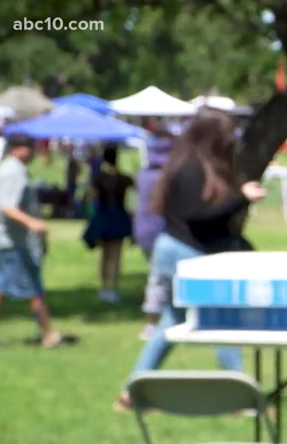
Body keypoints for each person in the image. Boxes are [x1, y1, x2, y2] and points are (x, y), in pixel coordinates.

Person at [114, 110, 267, 411]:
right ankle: (240, 398)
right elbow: (199, 216)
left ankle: (131, 392)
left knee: (172, 321)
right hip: (186, 253)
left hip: (177, 250)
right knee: (220, 320)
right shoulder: (192, 169)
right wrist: (242, 197)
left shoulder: (188, 164)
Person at [0, 133, 73, 348]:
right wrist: (32, 223)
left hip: (13, 241)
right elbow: (6, 206)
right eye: (31, 148)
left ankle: (48, 333)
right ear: (19, 148)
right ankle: (48, 334)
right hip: (12, 242)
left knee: (11, 288)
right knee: (33, 288)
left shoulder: (14, 169)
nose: (34, 152)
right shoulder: (12, 171)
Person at [133, 128, 174, 340]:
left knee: (159, 276)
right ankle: (150, 326)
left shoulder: (143, 174)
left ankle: (166, 318)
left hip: (142, 231)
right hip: (161, 231)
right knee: (158, 279)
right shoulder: (164, 177)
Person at [82, 145, 135, 304]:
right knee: (117, 255)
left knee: (104, 255)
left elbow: (90, 197)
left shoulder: (98, 178)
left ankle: (104, 287)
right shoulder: (125, 178)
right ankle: (114, 287)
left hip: (104, 216)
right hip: (119, 215)